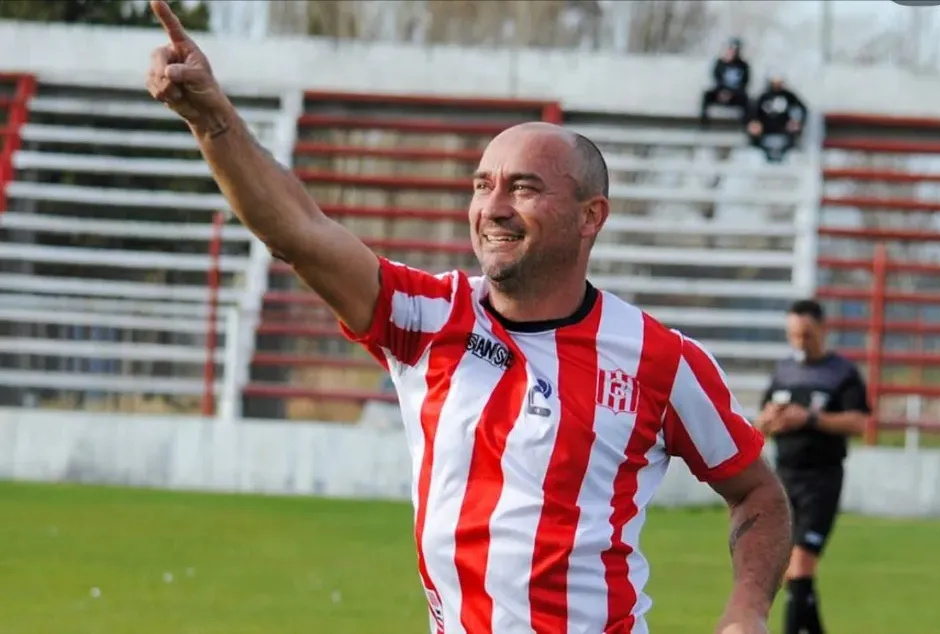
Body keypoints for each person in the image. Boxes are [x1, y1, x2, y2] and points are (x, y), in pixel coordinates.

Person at [144, 2, 792, 632]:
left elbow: (759, 494)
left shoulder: (659, 360)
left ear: (590, 217)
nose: (494, 207)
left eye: (525, 188)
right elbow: (301, 235)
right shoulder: (426, 318)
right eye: (483, 185)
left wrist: (746, 610)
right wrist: (212, 120)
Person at [755, 299, 870, 634]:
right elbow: (761, 419)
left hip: (822, 480)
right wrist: (769, 421)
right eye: (794, 336)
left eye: (806, 335)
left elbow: (859, 421)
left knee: (801, 565)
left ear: (823, 330)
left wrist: (810, 417)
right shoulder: (783, 372)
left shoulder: (842, 374)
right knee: (793, 574)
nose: (800, 343)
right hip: (784, 479)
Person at [746, 72, 808, 163]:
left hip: (784, 131)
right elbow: (752, 113)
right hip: (765, 131)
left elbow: (803, 109)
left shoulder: (789, 96)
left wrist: (797, 121)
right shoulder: (763, 96)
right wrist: (754, 123)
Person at [699, 37, 752, 129]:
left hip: (736, 94)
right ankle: (704, 123)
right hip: (721, 92)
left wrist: (731, 93)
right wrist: (723, 92)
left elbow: (745, 82)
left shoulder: (743, 65)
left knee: (748, 100)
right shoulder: (720, 62)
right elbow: (716, 79)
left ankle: (745, 126)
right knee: (707, 94)